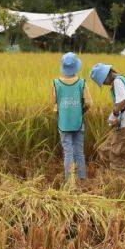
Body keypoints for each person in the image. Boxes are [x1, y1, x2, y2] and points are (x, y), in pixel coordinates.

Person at [89, 62, 125, 173]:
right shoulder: (122, 78)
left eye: (103, 82)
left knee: (117, 155)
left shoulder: (117, 82)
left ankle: (118, 182)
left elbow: (123, 100)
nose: (104, 84)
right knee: (104, 150)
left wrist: (114, 113)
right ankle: (114, 174)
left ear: (106, 76)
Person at [52, 52, 91, 181]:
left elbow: (54, 106)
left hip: (63, 123)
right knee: (79, 152)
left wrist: (62, 113)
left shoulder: (55, 83)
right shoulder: (82, 83)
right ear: (76, 67)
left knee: (68, 152)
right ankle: (82, 179)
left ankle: (69, 181)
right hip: (79, 123)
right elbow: (89, 103)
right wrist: (81, 111)